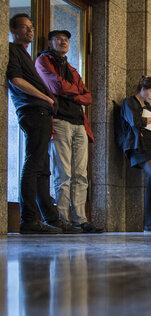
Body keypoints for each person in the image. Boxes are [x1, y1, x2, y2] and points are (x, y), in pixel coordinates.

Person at [7, 14, 78, 233]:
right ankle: (29, 220)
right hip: (32, 111)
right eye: (25, 27)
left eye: (32, 27)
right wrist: (47, 98)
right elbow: (15, 80)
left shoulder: (27, 55)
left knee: (43, 169)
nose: (30, 30)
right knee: (33, 166)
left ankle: (51, 218)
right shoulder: (12, 50)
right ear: (13, 30)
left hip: (42, 114)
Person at [35, 29, 101, 233]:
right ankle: (62, 219)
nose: (63, 42)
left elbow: (88, 97)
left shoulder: (72, 69)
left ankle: (80, 219)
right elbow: (55, 86)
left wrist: (72, 95)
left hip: (80, 124)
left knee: (80, 174)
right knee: (63, 174)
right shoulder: (43, 61)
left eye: (66, 40)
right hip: (60, 121)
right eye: (59, 39)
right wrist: (76, 94)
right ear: (50, 42)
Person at [121, 76, 151, 232]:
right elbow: (135, 122)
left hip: (150, 144)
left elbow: (149, 128)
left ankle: (150, 224)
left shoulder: (147, 105)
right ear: (142, 89)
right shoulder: (129, 102)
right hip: (138, 146)